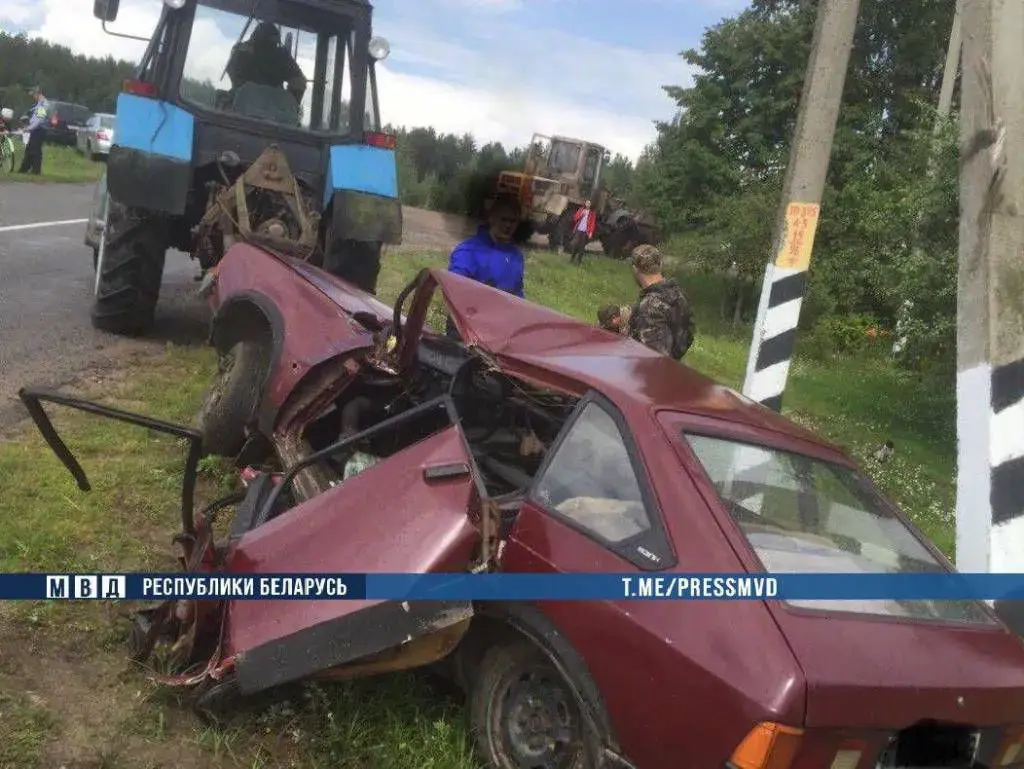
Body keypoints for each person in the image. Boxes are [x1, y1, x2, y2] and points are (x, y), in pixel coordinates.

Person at [623, 244, 695, 360]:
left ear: (635, 269)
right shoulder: (678, 294)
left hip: (647, 374)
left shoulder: (649, 306)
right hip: (674, 367)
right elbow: (688, 334)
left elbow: (655, 357)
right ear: (660, 265)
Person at [447, 194, 526, 298]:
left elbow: (518, 294)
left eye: (513, 221)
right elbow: (453, 290)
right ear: (491, 218)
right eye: (504, 219)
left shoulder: (516, 256)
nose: (508, 225)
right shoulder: (468, 251)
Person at [226, 22, 307, 104]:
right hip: (239, 107)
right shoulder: (242, 52)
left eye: (271, 46)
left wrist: (287, 104)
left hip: (270, 112)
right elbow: (233, 72)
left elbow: (299, 83)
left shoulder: (282, 57)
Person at [19, 86, 50, 176]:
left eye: (34, 95)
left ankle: (36, 171)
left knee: (35, 151)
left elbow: (39, 120)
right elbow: (33, 117)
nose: (33, 97)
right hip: (35, 129)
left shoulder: (44, 104)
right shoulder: (38, 104)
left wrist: (28, 128)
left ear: (38, 94)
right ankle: (24, 169)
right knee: (29, 149)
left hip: (39, 130)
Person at [569, 200, 597, 265]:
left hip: (585, 231)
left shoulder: (592, 213)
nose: (587, 204)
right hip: (578, 230)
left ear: (590, 205)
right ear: (585, 204)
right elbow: (575, 218)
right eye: (586, 203)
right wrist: (581, 214)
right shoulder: (581, 210)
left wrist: (590, 233)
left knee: (582, 246)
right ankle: (572, 259)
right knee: (575, 244)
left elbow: (592, 224)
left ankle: (579, 261)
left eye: (589, 203)